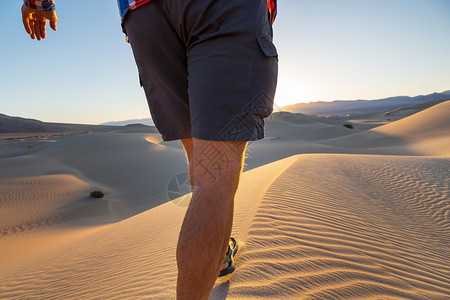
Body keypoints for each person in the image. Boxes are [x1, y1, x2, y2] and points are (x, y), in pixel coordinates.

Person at [21, 0, 278, 298]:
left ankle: (218, 257)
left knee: (200, 158)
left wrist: (39, 2)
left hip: (144, 15)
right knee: (215, 177)